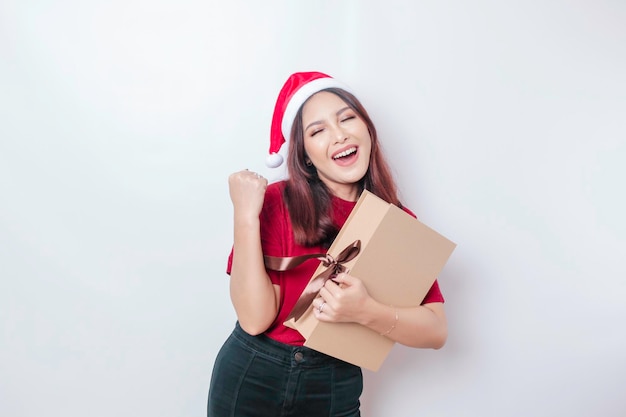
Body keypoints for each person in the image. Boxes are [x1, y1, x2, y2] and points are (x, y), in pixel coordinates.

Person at [207, 71, 447, 417]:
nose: (339, 135)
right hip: (254, 373)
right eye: (317, 131)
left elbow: (436, 330)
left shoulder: (396, 220)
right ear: (305, 154)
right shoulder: (277, 202)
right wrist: (245, 217)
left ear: (367, 131)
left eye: (347, 119)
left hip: (334, 381)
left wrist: (366, 311)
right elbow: (255, 320)